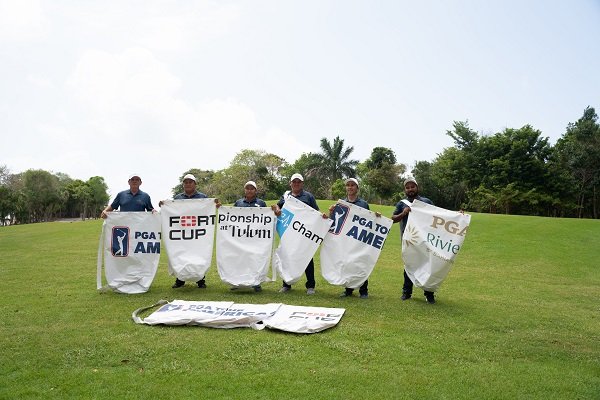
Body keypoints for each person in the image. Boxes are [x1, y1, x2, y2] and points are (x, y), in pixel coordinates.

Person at [272, 173, 328, 295]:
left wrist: (322, 217)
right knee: (288, 256)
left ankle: (310, 286)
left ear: (302, 183)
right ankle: (286, 284)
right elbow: (278, 205)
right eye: (294, 182)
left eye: (299, 182)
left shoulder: (308, 196)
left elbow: (316, 212)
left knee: (307, 257)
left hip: (304, 233)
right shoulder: (286, 196)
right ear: (290, 183)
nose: (296, 184)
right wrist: (277, 209)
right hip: (289, 233)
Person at [330, 178, 380, 299]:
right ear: (346, 188)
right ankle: (348, 290)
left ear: (357, 188)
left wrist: (376, 216)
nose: (350, 187)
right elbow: (335, 222)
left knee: (360, 263)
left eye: (353, 185)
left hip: (358, 239)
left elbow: (368, 221)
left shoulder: (363, 204)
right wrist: (331, 212)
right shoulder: (341, 204)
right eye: (348, 185)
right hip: (345, 240)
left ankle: (363, 290)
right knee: (346, 263)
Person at [391, 177, 436, 304]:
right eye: (407, 187)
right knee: (408, 266)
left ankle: (429, 293)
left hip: (424, 240)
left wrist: (457, 215)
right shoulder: (402, 203)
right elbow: (393, 219)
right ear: (405, 190)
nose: (410, 189)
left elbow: (439, 215)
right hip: (409, 241)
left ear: (417, 187)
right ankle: (407, 292)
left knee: (426, 265)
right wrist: (403, 213)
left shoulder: (426, 202)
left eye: (412, 186)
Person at [164, 174, 209, 289]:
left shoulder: (203, 197)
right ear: (183, 184)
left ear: (195, 184)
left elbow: (208, 211)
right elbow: (172, 211)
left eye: (190, 182)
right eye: (186, 182)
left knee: (198, 253)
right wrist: (164, 206)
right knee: (181, 253)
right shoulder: (178, 198)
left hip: (197, 231)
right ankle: (180, 279)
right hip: (182, 231)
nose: (188, 184)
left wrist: (215, 205)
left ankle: (200, 280)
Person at [231, 180, 268, 292]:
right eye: (247, 188)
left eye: (252, 188)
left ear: (255, 190)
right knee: (240, 259)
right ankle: (237, 282)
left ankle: (256, 283)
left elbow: (266, 218)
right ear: (245, 190)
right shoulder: (238, 203)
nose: (249, 190)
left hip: (256, 238)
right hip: (241, 237)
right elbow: (231, 217)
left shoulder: (261, 203)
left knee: (255, 260)